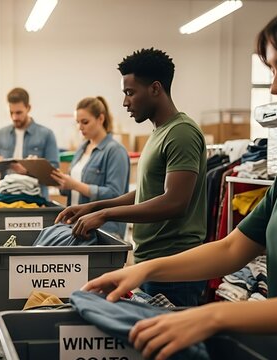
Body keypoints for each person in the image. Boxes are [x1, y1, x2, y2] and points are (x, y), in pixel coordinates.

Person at [82, 0, 277, 358]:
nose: (275, 87)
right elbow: (232, 248)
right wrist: (141, 270)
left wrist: (218, 315)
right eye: (272, 70)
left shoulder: (182, 132)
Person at [56, 48, 207, 306]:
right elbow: (148, 193)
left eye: (130, 92)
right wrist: (94, 206)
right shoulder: (160, 133)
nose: (125, 102)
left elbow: (175, 202)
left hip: (174, 268)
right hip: (152, 264)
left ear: (155, 88)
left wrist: (105, 215)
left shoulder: (181, 133)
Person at [50, 96, 130, 237]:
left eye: (85, 122)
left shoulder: (115, 151)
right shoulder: (82, 148)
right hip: (75, 227)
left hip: (103, 231)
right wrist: (61, 183)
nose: (80, 127)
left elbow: (115, 195)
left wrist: (75, 185)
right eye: (77, 122)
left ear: (100, 119)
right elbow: (73, 192)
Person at [0, 87, 59, 198]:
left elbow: (54, 173)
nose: (14, 117)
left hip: (35, 199)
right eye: (11, 113)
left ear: (28, 108)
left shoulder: (46, 134)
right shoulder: (1, 134)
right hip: (5, 197)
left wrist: (29, 170)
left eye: (19, 113)